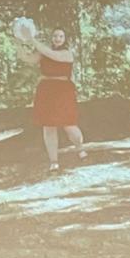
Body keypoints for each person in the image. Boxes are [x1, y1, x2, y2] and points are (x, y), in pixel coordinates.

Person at [28, 28, 87, 172]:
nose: (58, 38)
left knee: (68, 124)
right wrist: (19, 40)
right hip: (46, 91)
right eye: (55, 36)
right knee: (48, 126)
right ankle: (53, 160)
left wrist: (32, 39)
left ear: (65, 38)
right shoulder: (43, 51)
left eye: (61, 36)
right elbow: (29, 59)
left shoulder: (67, 53)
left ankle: (80, 148)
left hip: (63, 91)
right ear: (51, 37)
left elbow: (52, 55)